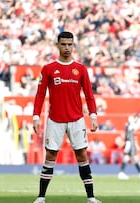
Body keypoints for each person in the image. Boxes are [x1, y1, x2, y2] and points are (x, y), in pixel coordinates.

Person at [32, 31, 101, 203]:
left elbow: (89, 94)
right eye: (63, 44)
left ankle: (91, 197)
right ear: (57, 45)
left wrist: (93, 115)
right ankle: (41, 197)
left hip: (77, 120)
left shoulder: (81, 69)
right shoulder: (48, 69)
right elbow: (40, 95)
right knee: (50, 156)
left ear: (73, 46)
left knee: (82, 155)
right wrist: (35, 117)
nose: (67, 47)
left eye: (69, 44)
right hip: (55, 120)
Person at [118, 114, 140, 180]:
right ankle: (139, 173)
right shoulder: (130, 124)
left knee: (131, 157)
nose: (137, 119)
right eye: (137, 118)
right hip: (130, 142)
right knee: (131, 157)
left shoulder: (129, 124)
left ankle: (139, 172)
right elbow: (131, 131)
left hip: (130, 142)